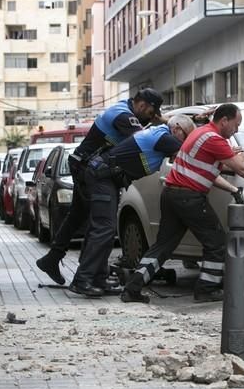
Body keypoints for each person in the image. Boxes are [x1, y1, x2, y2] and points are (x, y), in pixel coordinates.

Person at [120, 103, 244, 304]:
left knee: (163, 246)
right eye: (236, 125)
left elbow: (210, 169)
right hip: (189, 197)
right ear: (224, 121)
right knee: (217, 242)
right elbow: (241, 170)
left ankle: (133, 288)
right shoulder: (214, 139)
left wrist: (231, 169)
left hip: (172, 194)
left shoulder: (200, 133)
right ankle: (206, 289)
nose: (237, 130)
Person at [36, 88, 164, 286]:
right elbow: (144, 139)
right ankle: (89, 273)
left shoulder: (122, 109)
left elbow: (143, 127)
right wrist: (166, 127)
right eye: (149, 114)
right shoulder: (124, 117)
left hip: (83, 164)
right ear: (142, 105)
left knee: (79, 216)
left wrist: (160, 121)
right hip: (89, 169)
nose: (149, 119)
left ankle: (55, 259)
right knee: (101, 223)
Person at [69, 114, 196, 296]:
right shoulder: (163, 137)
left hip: (106, 178)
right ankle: (82, 280)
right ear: (176, 129)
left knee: (104, 229)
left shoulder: (160, 133)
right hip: (102, 178)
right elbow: (190, 154)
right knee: (104, 229)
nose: (186, 139)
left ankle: (98, 278)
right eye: (186, 135)